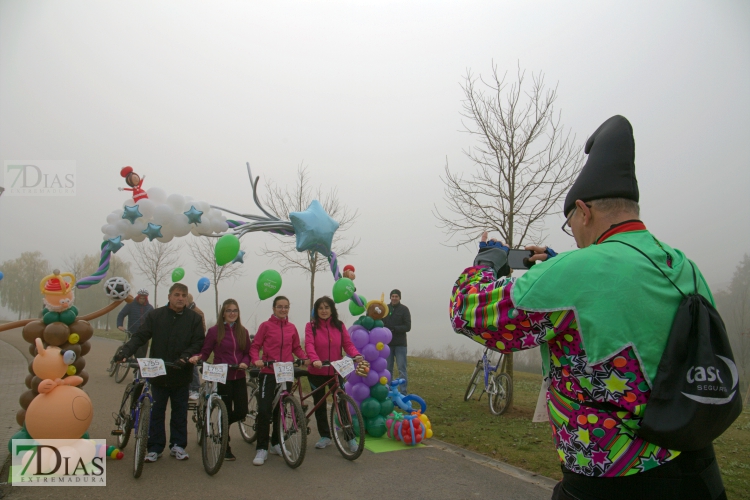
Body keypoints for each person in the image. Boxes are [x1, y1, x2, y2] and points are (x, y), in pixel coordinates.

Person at [450, 115, 726, 500]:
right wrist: (561, 264)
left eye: (571, 225)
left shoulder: (578, 272)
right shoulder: (680, 264)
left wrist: (487, 262)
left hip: (612, 480)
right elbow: (622, 297)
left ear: (584, 211)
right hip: (697, 469)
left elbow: (469, 312)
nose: (575, 235)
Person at [113, 282, 205, 463]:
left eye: (184, 296)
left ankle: (178, 445)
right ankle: (154, 447)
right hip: (158, 373)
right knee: (156, 412)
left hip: (181, 372)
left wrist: (186, 357)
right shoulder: (156, 315)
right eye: (177, 295)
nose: (180, 298)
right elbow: (140, 336)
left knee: (179, 412)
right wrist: (125, 351)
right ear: (169, 296)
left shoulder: (193, 319)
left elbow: (197, 342)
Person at [189, 299, 251, 461]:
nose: (232, 313)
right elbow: (206, 351)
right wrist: (198, 358)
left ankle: (221, 425)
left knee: (241, 411)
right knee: (224, 409)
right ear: (223, 313)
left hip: (239, 376)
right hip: (221, 376)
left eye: (235, 311)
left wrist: (245, 362)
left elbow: (247, 352)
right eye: (229, 310)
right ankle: (225, 444)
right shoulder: (214, 331)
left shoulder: (242, 331)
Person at [249, 296, 307, 466]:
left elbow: (296, 347)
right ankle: (261, 448)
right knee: (265, 410)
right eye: (280, 307)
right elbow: (255, 346)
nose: (283, 310)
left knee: (280, 410)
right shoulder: (265, 326)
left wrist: (304, 358)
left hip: (286, 372)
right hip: (268, 372)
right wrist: (256, 360)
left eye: (286, 307)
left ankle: (276, 443)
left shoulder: (291, 328)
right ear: (273, 308)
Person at [304, 296, 362, 450]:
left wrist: (356, 355)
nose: (324, 311)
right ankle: (325, 436)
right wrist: (315, 359)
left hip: (335, 371)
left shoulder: (339, 325)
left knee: (341, 403)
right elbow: (309, 345)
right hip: (317, 370)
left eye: (327, 307)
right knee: (320, 404)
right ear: (316, 310)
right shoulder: (311, 326)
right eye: (320, 308)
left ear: (332, 310)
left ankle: (350, 438)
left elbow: (348, 344)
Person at [382, 289, 411, 393]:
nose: (394, 298)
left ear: (399, 298)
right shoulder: (385, 308)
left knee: (402, 370)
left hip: (400, 345)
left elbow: (408, 326)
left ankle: (403, 392)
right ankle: (388, 391)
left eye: (396, 296)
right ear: (390, 297)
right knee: (388, 370)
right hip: (387, 345)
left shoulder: (404, 310)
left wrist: (394, 328)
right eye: (392, 296)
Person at [116, 288, 154, 359]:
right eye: (140, 298)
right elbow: (121, 314)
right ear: (138, 297)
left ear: (146, 299)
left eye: (143, 298)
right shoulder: (131, 304)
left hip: (145, 334)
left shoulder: (150, 308)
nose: (142, 300)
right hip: (133, 333)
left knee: (143, 355)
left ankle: (137, 369)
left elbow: (154, 321)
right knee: (139, 355)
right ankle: (137, 367)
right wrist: (119, 325)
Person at [187, 293, 206, 400]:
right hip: (184, 342)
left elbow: (202, 329)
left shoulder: (198, 312)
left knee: (192, 365)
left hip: (193, 342)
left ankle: (195, 388)